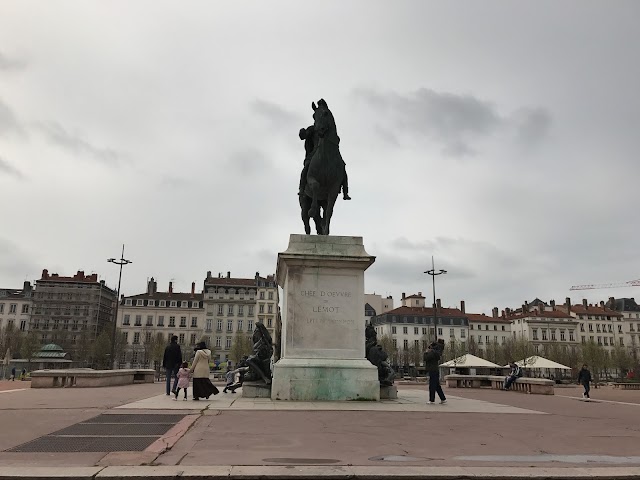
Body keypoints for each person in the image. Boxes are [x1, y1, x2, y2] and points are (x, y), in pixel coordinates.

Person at [298, 99, 351, 201]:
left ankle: (345, 191)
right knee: (307, 168)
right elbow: (304, 135)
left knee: (342, 166)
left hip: (331, 154)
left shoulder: (329, 131)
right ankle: (301, 188)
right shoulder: (313, 129)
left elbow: (336, 141)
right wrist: (303, 133)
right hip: (314, 154)